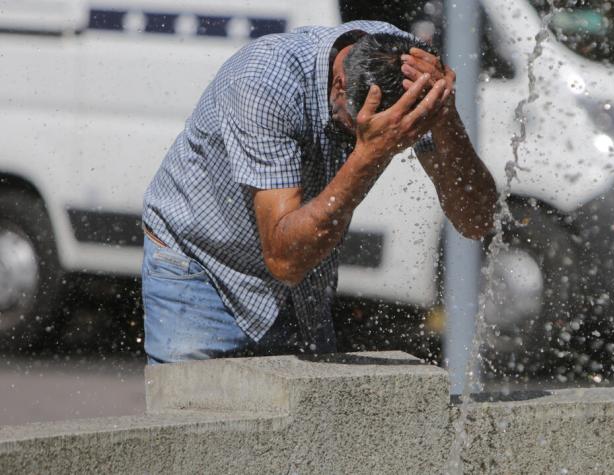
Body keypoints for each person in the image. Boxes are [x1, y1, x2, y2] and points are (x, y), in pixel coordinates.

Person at [141, 21, 497, 365]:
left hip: (301, 276)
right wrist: (369, 155)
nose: (387, 142)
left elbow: (477, 222)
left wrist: (446, 117)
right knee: (195, 418)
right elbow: (285, 260)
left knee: (304, 422)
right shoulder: (260, 83)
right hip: (203, 270)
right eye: (354, 129)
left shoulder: (412, 72)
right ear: (340, 86)